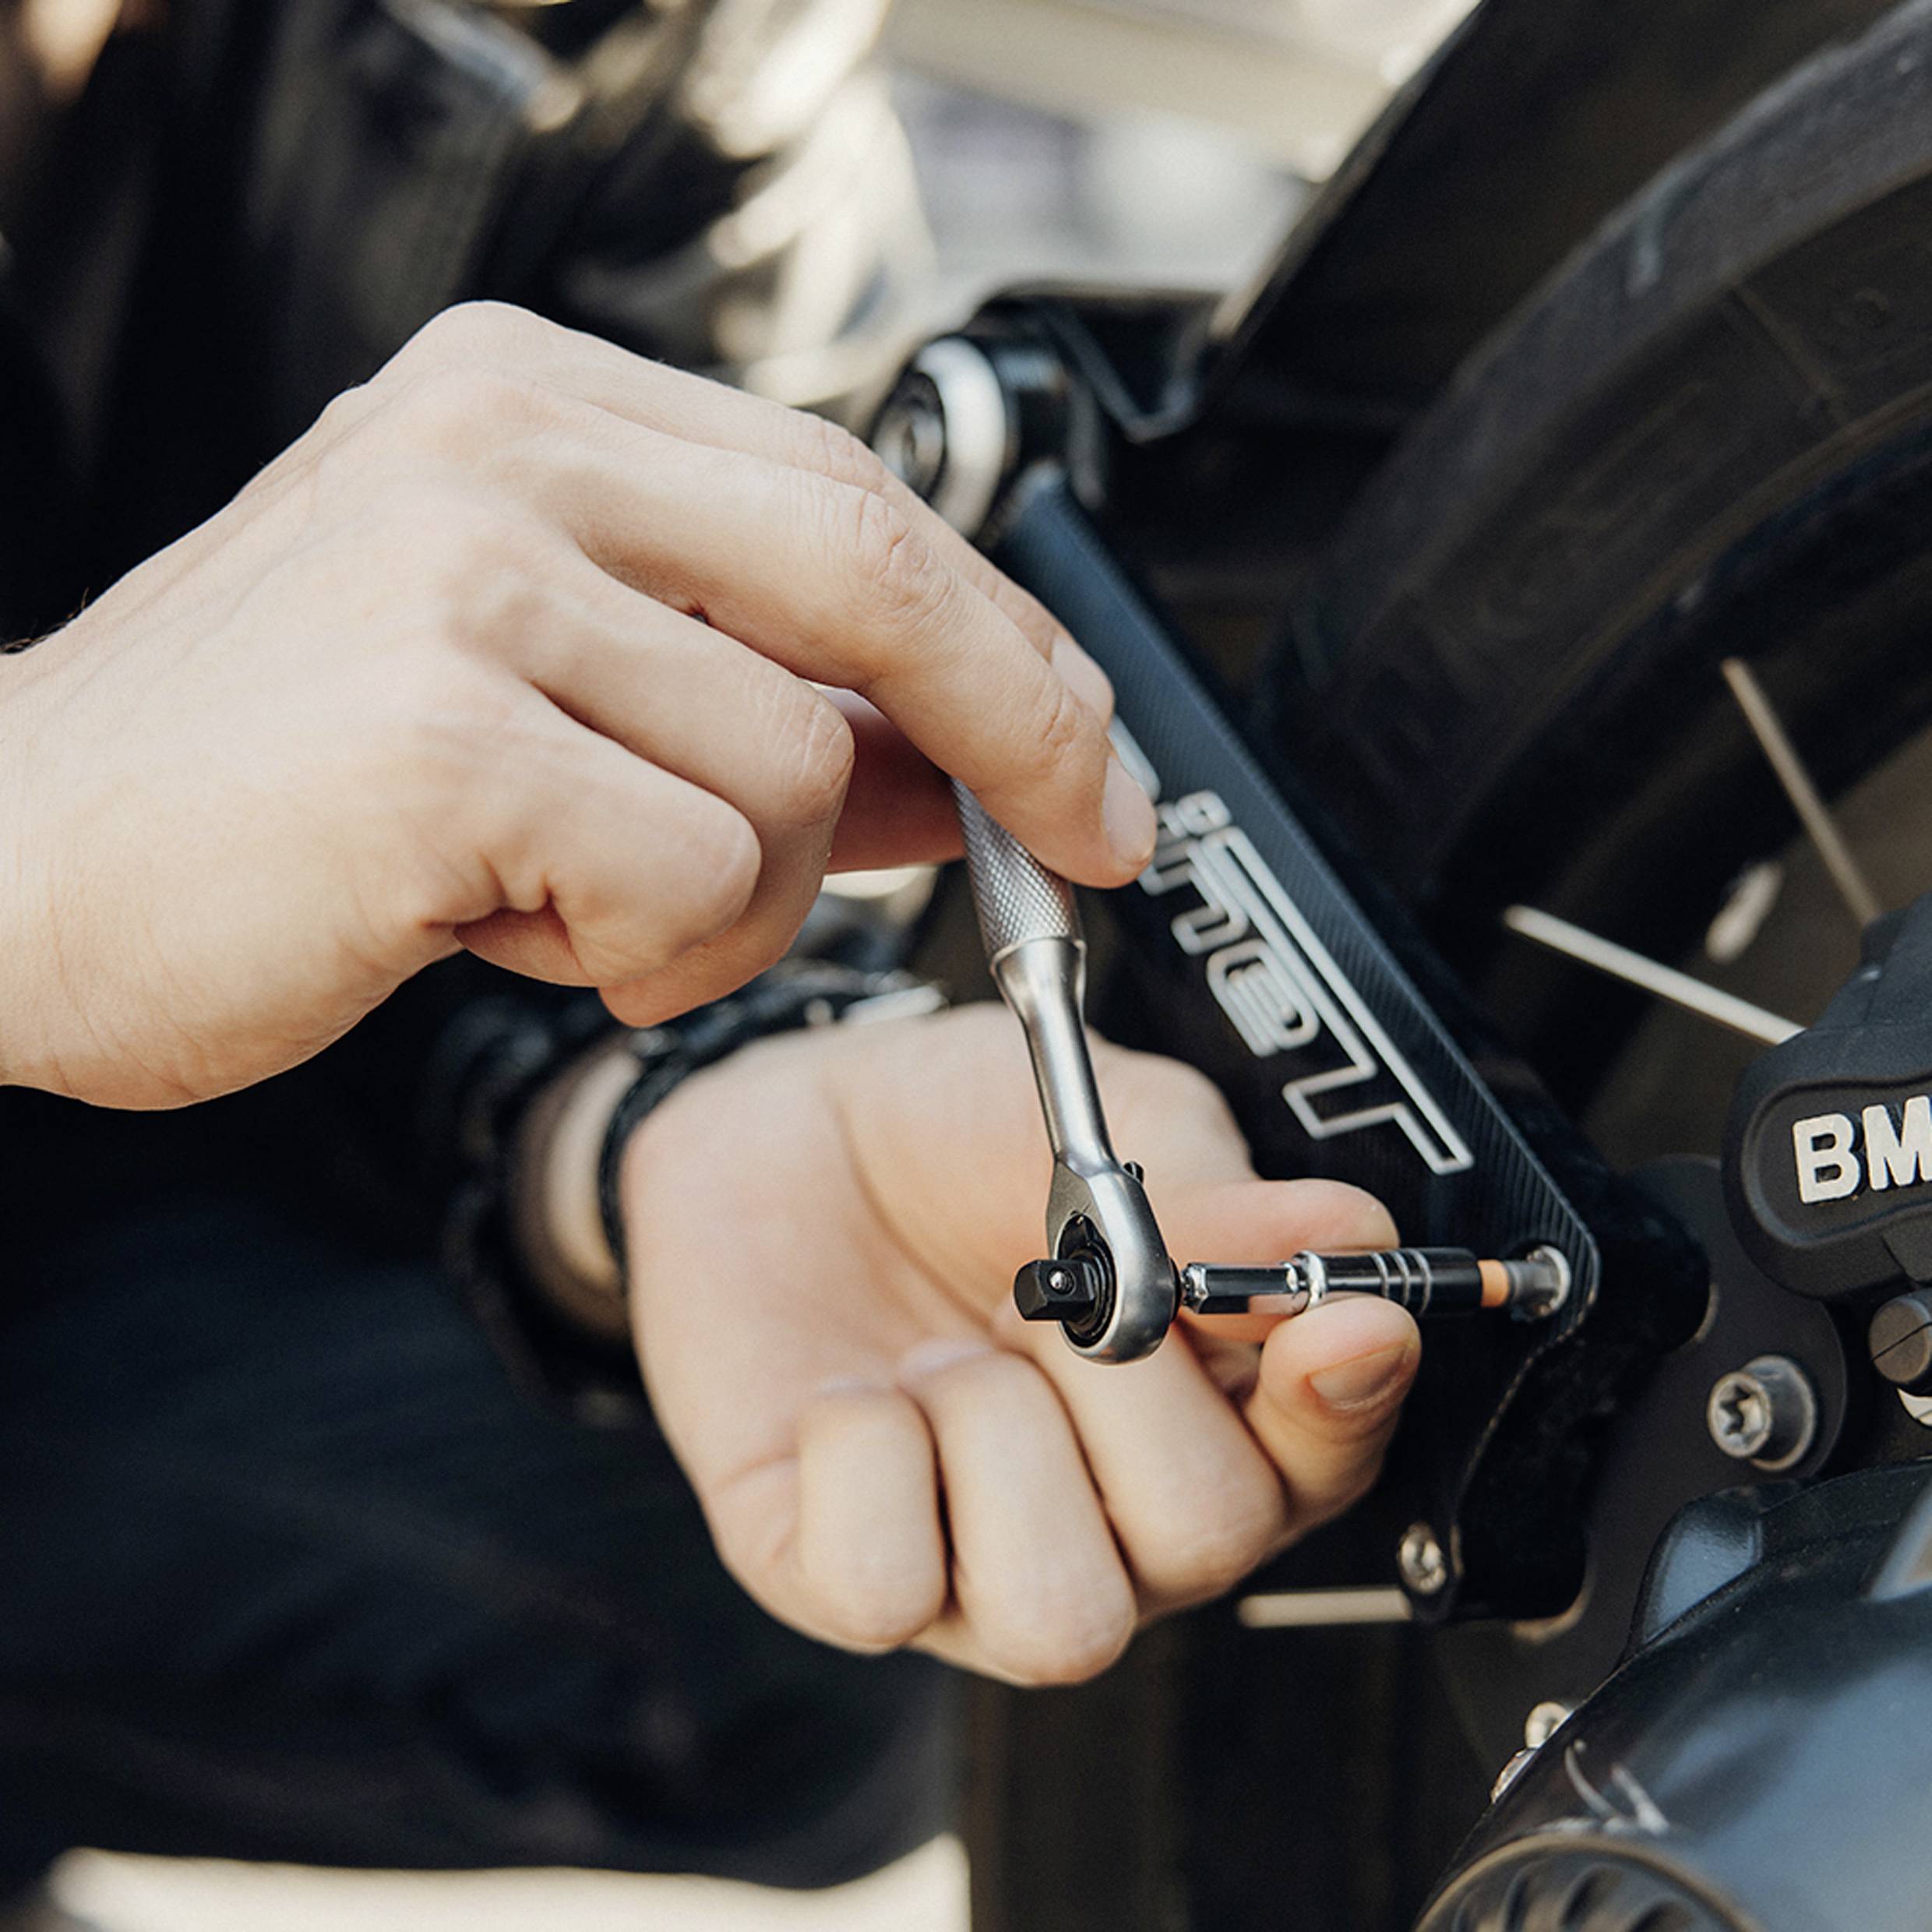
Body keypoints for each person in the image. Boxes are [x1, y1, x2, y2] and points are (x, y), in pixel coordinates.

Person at [0, 0, 1422, 1906]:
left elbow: (620, 813)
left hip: (110, 1256)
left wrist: (657, 1119)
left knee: (838, 1577)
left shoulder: (658, 49)